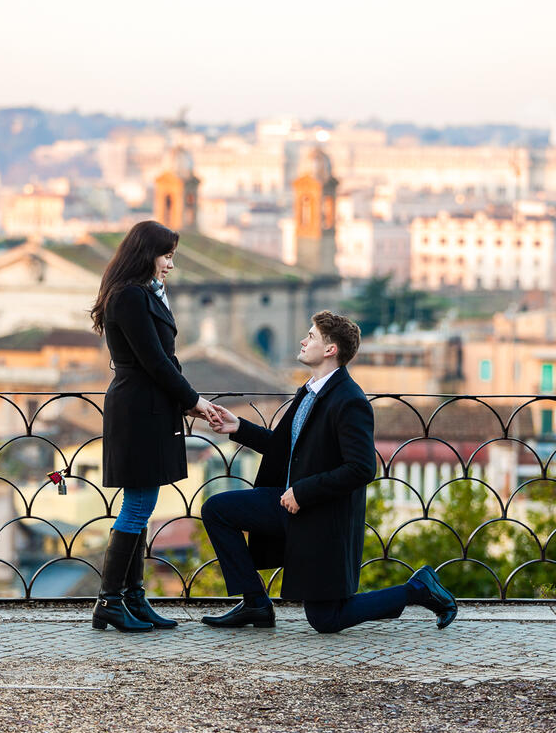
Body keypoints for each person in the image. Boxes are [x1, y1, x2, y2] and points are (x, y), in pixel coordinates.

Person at [200, 310, 457, 633]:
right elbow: (286, 448)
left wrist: (303, 492)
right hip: (291, 504)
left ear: (330, 349)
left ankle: (417, 589)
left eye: (311, 337)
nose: (303, 341)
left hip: (320, 515)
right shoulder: (309, 392)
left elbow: (362, 467)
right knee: (217, 510)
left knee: (326, 620)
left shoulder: (349, 400)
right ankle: (255, 603)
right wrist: (237, 427)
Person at [90, 220, 222, 632]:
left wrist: (189, 403)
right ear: (146, 253)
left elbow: (162, 360)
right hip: (138, 409)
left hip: (147, 407)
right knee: (138, 503)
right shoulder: (130, 296)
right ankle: (110, 600)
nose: (170, 264)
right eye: (166, 255)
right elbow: (155, 361)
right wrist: (194, 400)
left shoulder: (140, 294)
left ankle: (132, 597)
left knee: (142, 503)